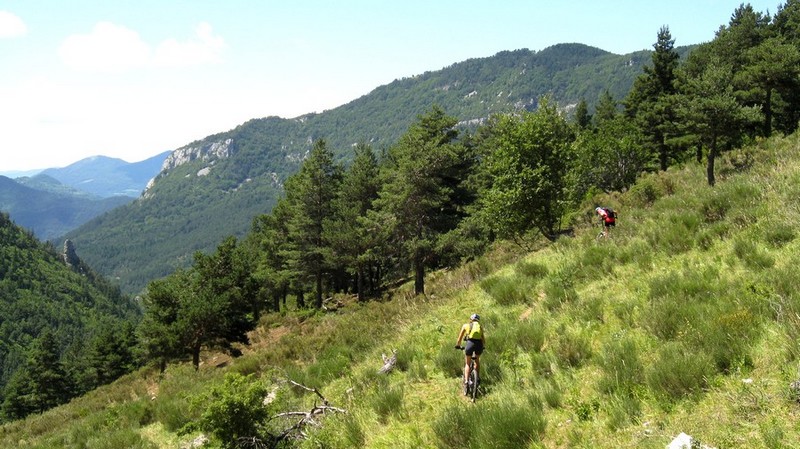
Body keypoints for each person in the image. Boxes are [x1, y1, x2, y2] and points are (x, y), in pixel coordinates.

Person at [455, 313, 485, 392]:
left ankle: (466, 381)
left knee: (467, 363)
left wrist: (458, 345)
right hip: (479, 344)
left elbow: (460, 337)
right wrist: (483, 346)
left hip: (470, 343)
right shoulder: (480, 327)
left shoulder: (466, 325)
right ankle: (477, 378)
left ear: (471, 319)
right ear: (478, 320)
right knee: (477, 360)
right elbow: (483, 339)